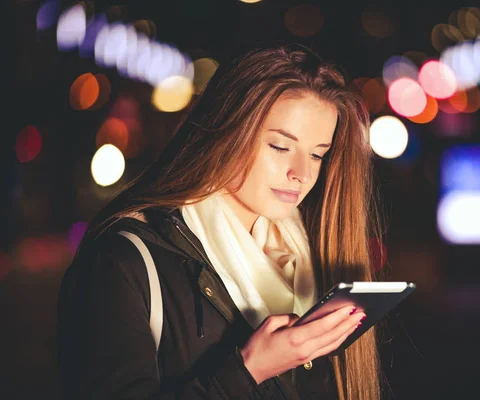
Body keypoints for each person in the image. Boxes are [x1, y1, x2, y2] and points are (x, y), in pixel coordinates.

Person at [57, 43, 386, 400]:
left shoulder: (305, 258)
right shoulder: (125, 261)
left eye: (317, 154)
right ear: (226, 131)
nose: (301, 173)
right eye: (279, 147)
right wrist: (249, 370)